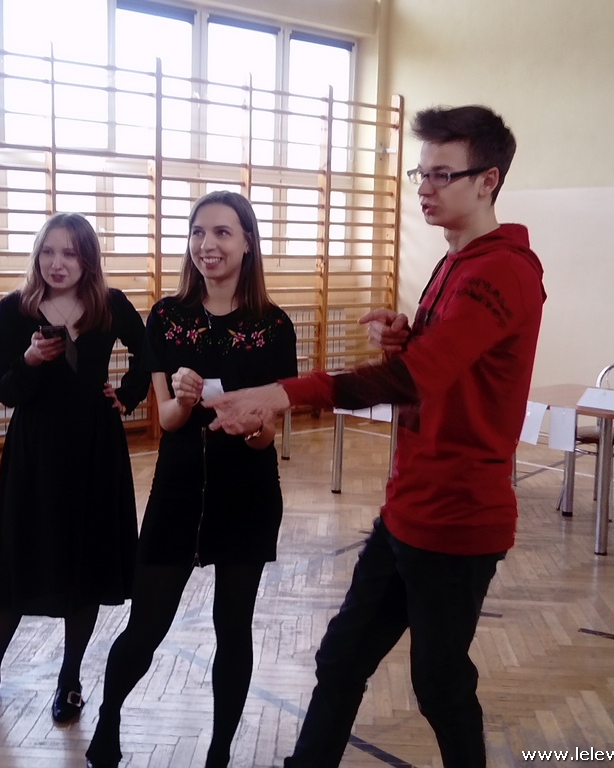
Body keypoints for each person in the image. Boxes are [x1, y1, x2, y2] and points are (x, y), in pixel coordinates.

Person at [207, 105, 546, 768]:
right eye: (422, 173)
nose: (426, 187)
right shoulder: (456, 261)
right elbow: (443, 364)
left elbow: (416, 379)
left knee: (440, 686)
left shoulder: (500, 271)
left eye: (443, 174)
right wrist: (409, 336)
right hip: (409, 509)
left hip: (458, 519)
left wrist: (285, 392)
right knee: (341, 660)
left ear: (488, 180)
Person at [84, 191, 298, 768]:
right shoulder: (167, 316)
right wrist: (180, 398)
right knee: (145, 627)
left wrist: (251, 425)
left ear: (248, 242)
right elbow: (170, 419)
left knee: (234, 629)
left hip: (247, 494)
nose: (208, 244)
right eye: (199, 232)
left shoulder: (274, 327)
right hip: (178, 492)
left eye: (223, 232)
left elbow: (267, 437)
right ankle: (108, 719)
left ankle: (220, 751)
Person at [0, 212, 149, 725]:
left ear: (87, 259)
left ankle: (70, 678)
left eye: (70, 253)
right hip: (35, 453)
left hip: (95, 450)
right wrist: (31, 360)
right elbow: (7, 391)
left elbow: (148, 352)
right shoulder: (13, 309)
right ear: (37, 256)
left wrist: (127, 395)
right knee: (15, 561)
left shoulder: (109, 304)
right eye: (48, 252)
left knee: (84, 564)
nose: (58, 263)